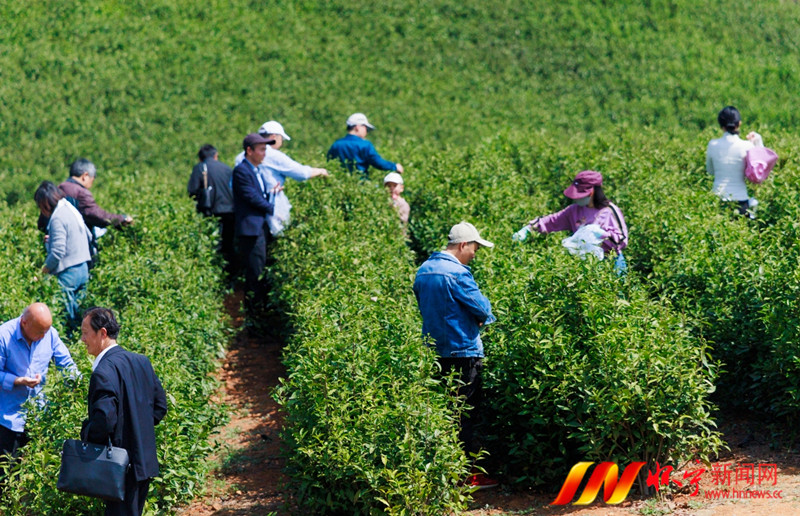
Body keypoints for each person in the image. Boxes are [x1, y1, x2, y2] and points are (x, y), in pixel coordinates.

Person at [413, 222, 498, 489]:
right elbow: (482, 308)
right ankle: (468, 475)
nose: (474, 254)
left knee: (447, 412)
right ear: (463, 245)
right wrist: (484, 317)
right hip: (464, 350)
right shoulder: (458, 273)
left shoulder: (424, 270)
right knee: (466, 414)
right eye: (474, 248)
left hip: (435, 350)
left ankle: (446, 471)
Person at [80, 307, 167, 516]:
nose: (82, 339)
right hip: (143, 463)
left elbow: (104, 421)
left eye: (85, 333)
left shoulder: (103, 371)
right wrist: (138, 431)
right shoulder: (141, 361)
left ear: (102, 333)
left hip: (118, 466)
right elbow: (160, 406)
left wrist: (86, 432)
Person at [0, 303, 78, 473]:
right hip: (8, 419)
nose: (43, 336)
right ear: (24, 322)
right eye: (39, 332)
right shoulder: (4, 335)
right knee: (6, 475)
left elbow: (66, 364)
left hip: (38, 418)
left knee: (35, 471)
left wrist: (80, 384)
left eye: (46, 331)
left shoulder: (50, 334)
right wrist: (17, 381)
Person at [234, 121, 329, 235]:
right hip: (271, 210)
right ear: (274, 137)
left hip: (247, 215)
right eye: (281, 139)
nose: (282, 143)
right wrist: (320, 171)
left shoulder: (241, 157)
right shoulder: (273, 155)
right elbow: (301, 173)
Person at [525, 170, 628, 272]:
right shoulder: (574, 210)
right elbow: (551, 221)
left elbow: (622, 241)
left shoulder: (609, 211)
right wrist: (529, 229)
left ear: (591, 192)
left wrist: (603, 235)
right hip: (586, 264)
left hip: (611, 263)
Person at [34, 181, 92, 324]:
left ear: (45, 203)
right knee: (80, 315)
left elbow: (58, 252)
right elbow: (87, 235)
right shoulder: (69, 208)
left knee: (66, 318)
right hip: (83, 268)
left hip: (69, 273)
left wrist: (44, 270)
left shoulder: (58, 217)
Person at [233, 133, 276, 308]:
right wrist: (272, 208)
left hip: (258, 227)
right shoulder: (242, 171)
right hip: (251, 229)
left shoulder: (256, 170)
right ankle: (253, 312)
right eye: (261, 149)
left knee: (260, 267)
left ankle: (258, 309)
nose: (264, 153)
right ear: (249, 151)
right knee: (255, 271)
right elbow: (251, 197)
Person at [706, 106, 763, 218]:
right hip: (741, 201)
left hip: (718, 200)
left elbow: (710, 171)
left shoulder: (712, 144)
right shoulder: (747, 146)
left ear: (721, 125)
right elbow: (759, 171)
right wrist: (757, 143)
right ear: (739, 123)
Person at [187, 144, 236, 272]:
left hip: (210, 211)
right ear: (216, 156)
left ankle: (214, 271)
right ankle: (229, 274)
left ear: (200, 158)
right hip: (230, 211)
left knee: (212, 244)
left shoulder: (200, 168)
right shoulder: (227, 168)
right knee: (228, 244)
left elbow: (192, 190)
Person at [59, 158, 134, 235]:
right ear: (85, 176)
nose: (92, 183)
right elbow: (97, 216)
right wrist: (122, 218)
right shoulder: (81, 193)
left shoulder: (59, 188)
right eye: (93, 178)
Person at [326, 113, 404, 179]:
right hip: (361, 183)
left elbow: (329, 163)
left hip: (340, 183)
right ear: (357, 127)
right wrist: (394, 166)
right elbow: (378, 163)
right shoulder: (365, 145)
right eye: (366, 128)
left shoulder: (336, 144)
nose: (366, 132)